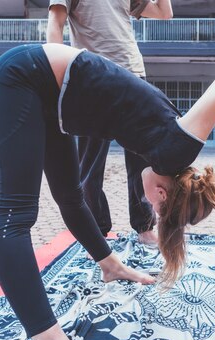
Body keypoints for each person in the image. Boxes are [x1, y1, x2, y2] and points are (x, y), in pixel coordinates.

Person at [0, 20, 215, 340]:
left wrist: (111, 263)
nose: (148, 204)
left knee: (71, 196)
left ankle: (109, 266)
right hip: (25, 76)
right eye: (156, 209)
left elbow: (75, 202)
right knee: (14, 214)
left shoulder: (168, 148)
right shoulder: (175, 149)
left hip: (49, 98)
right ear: (162, 196)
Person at [47, 0, 174, 245]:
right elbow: (55, 23)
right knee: (90, 164)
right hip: (92, 76)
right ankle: (96, 233)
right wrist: (58, 76)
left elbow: (163, 13)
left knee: (141, 161)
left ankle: (145, 227)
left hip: (133, 73)